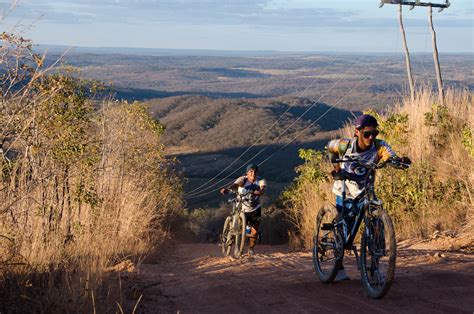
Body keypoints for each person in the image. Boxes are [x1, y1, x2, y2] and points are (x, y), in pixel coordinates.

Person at [326, 114, 410, 281]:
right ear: (357, 132)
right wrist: (336, 169)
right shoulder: (345, 145)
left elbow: (389, 155)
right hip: (345, 190)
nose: (371, 138)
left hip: (365, 190)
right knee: (344, 230)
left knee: (377, 225)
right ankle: (339, 267)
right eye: (367, 134)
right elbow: (330, 147)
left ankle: (374, 268)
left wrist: (398, 161)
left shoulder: (379, 146)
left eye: (374, 134)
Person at [220, 163, 266, 256]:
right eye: (251, 171)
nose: (253, 173)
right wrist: (228, 190)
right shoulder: (243, 179)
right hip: (242, 208)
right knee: (238, 228)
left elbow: (262, 188)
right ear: (247, 173)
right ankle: (232, 241)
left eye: (255, 172)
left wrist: (259, 192)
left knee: (255, 232)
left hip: (255, 209)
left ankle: (251, 248)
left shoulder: (261, 180)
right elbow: (235, 185)